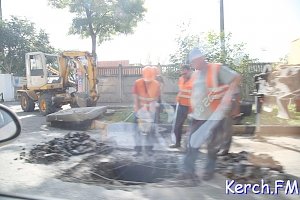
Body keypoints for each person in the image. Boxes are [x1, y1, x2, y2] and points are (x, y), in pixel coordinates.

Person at [181, 47, 241, 181]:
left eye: (194, 61)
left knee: (212, 146)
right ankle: (188, 172)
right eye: (192, 62)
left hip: (215, 116)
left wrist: (229, 95)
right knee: (191, 143)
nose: (193, 64)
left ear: (201, 58)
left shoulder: (216, 69)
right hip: (198, 115)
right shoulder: (196, 74)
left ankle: (208, 171)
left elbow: (236, 77)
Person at [132, 66, 161, 156]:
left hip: (150, 112)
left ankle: (149, 149)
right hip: (139, 110)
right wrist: (137, 111)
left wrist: (152, 112)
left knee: (150, 130)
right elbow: (135, 97)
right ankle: (138, 149)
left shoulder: (156, 84)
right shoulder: (138, 83)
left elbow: (156, 99)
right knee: (137, 130)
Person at [170, 65, 194, 148]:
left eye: (185, 72)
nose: (183, 74)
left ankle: (191, 145)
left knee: (192, 127)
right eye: (182, 72)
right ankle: (177, 143)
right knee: (177, 126)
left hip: (191, 107)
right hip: (181, 105)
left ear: (189, 71)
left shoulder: (195, 80)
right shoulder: (181, 79)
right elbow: (181, 91)